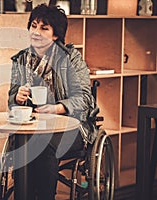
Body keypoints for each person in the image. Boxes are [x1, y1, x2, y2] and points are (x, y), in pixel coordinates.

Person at [8, 4, 97, 199]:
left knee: (43, 146)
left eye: (44, 28)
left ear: (55, 35)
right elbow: (11, 102)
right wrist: (17, 97)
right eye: (33, 26)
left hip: (70, 127)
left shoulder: (71, 58)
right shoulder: (21, 59)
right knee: (24, 146)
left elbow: (84, 98)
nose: (36, 32)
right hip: (33, 127)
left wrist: (57, 108)